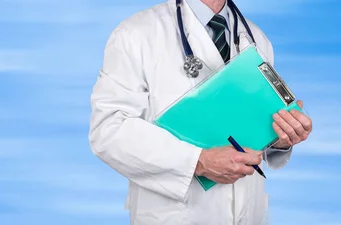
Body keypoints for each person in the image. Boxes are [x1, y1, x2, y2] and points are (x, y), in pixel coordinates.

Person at [87, 0, 313, 224]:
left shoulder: (256, 37)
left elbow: (252, 126)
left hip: (249, 213)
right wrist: (198, 161)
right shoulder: (136, 34)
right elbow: (109, 131)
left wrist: (281, 137)